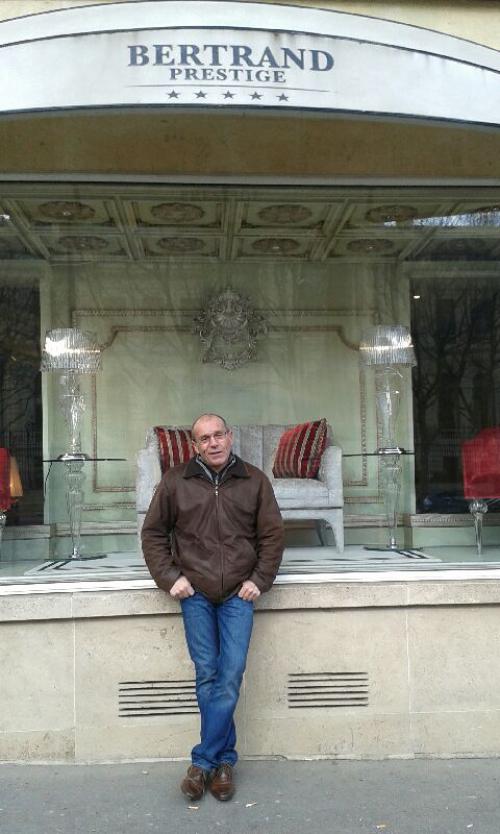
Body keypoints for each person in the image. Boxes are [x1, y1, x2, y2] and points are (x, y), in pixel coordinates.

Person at [141, 413, 284, 802]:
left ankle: (202, 762)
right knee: (207, 673)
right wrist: (171, 578)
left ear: (230, 437)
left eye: (218, 435)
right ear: (195, 446)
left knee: (230, 672)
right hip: (196, 593)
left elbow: (273, 536)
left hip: (239, 592)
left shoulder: (254, 480)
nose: (213, 443)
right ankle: (223, 764)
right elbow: (153, 533)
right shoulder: (176, 482)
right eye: (204, 438)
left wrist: (259, 579)